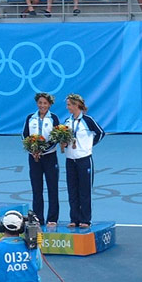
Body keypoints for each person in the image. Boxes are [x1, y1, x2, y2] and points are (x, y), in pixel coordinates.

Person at [63, 93, 105, 228]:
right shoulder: (67, 122)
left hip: (84, 159)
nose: (67, 107)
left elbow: (100, 133)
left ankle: (85, 219)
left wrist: (89, 145)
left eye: (69, 104)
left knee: (84, 191)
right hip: (70, 160)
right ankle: (74, 218)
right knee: (72, 190)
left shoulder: (88, 120)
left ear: (76, 105)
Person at [22, 93, 60, 227]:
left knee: (52, 188)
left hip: (50, 157)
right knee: (36, 188)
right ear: (37, 104)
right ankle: (38, 218)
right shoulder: (30, 118)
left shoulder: (53, 118)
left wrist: (42, 150)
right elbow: (25, 136)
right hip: (34, 158)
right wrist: (33, 151)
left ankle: (52, 218)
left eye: (45, 103)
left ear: (49, 104)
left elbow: (56, 138)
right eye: (40, 103)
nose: (42, 105)